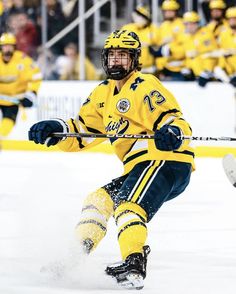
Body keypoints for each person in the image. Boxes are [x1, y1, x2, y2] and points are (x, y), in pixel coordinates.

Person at [28, 29, 195, 289]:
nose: (117, 61)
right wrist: (57, 130)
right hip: (140, 167)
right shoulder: (102, 93)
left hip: (166, 161)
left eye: (123, 56)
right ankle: (76, 256)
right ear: (105, 59)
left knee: (128, 206)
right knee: (98, 200)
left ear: (134, 59)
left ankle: (134, 262)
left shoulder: (145, 85)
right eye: (112, 55)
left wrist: (173, 133)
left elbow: (177, 122)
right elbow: (82, 131)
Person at [0, 32, 42, 145]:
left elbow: (36, 77)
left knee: (8, 121)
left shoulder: (23, 60)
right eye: (4, 46)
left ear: (14, 47)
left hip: (14, 99)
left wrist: (31, 94)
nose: (7, 49)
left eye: (10, 46)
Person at [121, 5, 160, 74]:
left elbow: (158, 47)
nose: (140, 19)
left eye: (143, 17)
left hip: (149, 69)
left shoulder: (153, 29)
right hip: (131, 69)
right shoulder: (127, 28)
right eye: (138, 16)